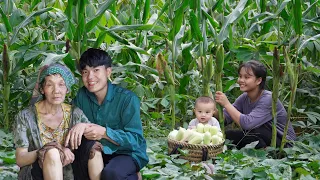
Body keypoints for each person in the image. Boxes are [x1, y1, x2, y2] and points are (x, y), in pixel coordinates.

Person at [65, 48, 149, 180]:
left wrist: (104, 133)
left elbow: (135, 140)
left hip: (126, 153)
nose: (90, 77)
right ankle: (133, 177)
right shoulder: (82, 96)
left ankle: (131, 175)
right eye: (85, 72)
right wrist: (81, 124)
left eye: (96, 70)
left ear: (108, 71)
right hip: (96, 152)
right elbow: (70, 119)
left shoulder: (127, 99)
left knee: (111, 174)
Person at [14, 63, 103, 180]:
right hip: (37, 173)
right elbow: (20, 159)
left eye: (61, 84)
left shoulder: (75, 113)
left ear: (67, 89)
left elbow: (96, 133)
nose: (56, 90)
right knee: (52, 153)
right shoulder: (25, 116)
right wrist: (50, 149)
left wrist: (83, 125)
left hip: (72, 172)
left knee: (93, 148)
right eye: (50, 85)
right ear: (42, 89)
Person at [214, 60, 296, 149]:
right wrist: (212, 111)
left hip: (282, 142)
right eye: (240, 76)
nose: (241, 80)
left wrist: (226, 104)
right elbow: (227, 117)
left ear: (258, 80)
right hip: (259, 136)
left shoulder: (269, 99)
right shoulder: (244, 97)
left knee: (250, 134)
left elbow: (247, 123)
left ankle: (268, 153)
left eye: (246, 77)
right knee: (226, 135)